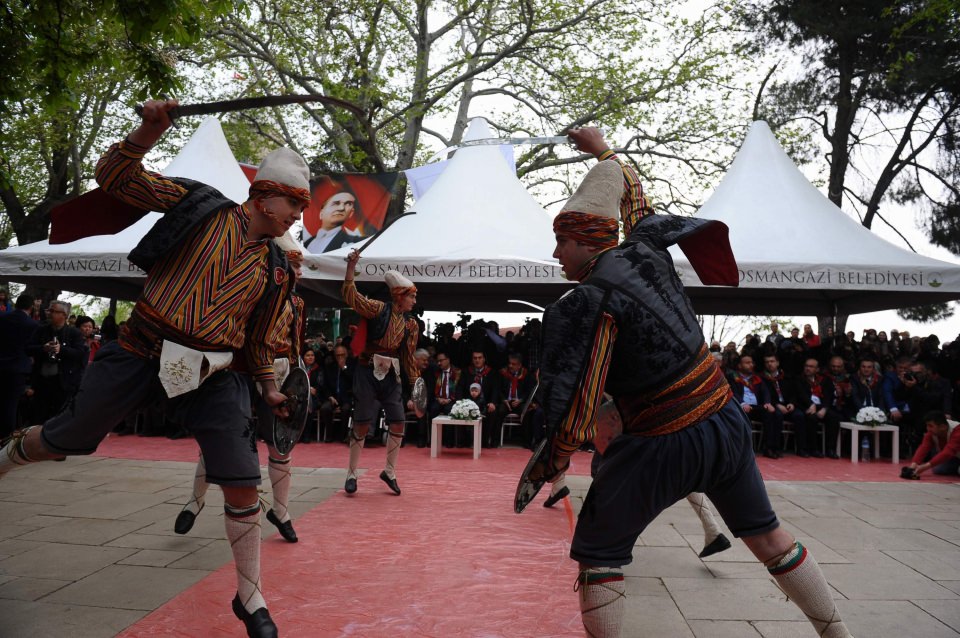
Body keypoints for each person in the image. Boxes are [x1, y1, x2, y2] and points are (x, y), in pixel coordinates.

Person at [0, 98, 310, 638]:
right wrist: (147, 130)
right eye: (294, 204)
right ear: (264, 196)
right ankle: (9, 451)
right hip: (141, 350)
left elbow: (259, 342)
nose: (297, 217)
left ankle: (250, 596)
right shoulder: (201, 204)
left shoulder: (279, 271)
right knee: (68, 438)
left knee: (241, 480)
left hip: (214, 375)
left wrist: (269, 389)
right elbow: (117, 177)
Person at [530, 126, 852, 638]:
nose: (556, 255)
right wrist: (604, 153)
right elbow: (637, 204)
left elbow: (576, 397)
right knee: (768, 538)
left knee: (597, 551)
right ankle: (837, 634)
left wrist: (555, 455)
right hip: (726, 422)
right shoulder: (648, 252)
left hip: (661, 442)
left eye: (561, 242)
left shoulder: (585, 302)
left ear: (587, 241)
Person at [173, 232, 307, 545]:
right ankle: (195, 502)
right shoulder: (253, 291)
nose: (299, 273)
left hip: (282, 372)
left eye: (300, 267)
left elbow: (295, 343)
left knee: (280, 445)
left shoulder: (298, 302)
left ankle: (282, 512)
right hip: (242, 375)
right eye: (293, 265)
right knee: (222, 440)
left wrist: (298, 378)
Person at [341, 249, 420, 495]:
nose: (414, 301)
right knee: (363, 422)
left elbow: (408, 357)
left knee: (398, 421)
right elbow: (351, 296)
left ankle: (390, 471)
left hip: (391, 376)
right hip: (366, 371)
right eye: (412, 297)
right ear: (400, 297)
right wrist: (351, 268)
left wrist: (417, 384)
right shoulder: (377, 309)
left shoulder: (411, 324)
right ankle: (352, 473)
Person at [26, 300, 87, 424]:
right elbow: (27, 348)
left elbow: (80, 353)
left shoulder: (73, 333)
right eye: (49, 310)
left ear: (64, 315)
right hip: (41, 380)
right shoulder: (41, 329)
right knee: (37, 415)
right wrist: (43, 348)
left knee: (57, 417)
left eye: (53, 311)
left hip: (62, 382)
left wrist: (61, 350)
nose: (49, 313)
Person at [0, 294, 40, 438]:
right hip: (18, 368)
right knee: (10, 404)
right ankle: (5, 436)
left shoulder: (2, 317)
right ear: (31, 307)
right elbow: (32, 347)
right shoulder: (32, 325)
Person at [303, 180, 363, 253]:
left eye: (348, 204)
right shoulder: (306, 244)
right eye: (336, 203)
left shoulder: (357, 242)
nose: (341, 208)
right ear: (321, 213)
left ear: (351, 213)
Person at [903, 410, 960, 478]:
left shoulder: (957, 431)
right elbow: (923, 448)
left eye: (930, 426)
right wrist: (913, 466)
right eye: (927, 425)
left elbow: (948, 452)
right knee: (938, 469)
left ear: (942, 427)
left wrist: (925, 467)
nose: (928, 429)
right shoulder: (933, 432)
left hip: (953, 455)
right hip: (955, 457)